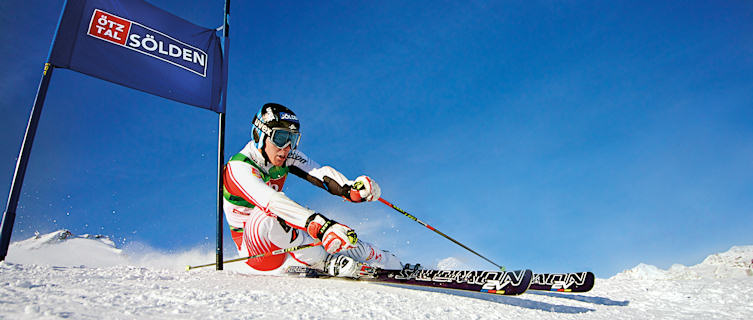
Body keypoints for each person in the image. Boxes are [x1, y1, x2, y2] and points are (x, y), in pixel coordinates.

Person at [223, 102, 401, 278]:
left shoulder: (286, 156)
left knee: (338, 236)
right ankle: (322, 262)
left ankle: (387, 261)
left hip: (286, 235)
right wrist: (322, 226)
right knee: (272, 213)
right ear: (260, 134)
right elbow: (272, 201)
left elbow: (319, 173)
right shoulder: (238, 167)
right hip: (258, 252)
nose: (286, 148)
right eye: (280, 138)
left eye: (292, 139)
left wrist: (351, 189)